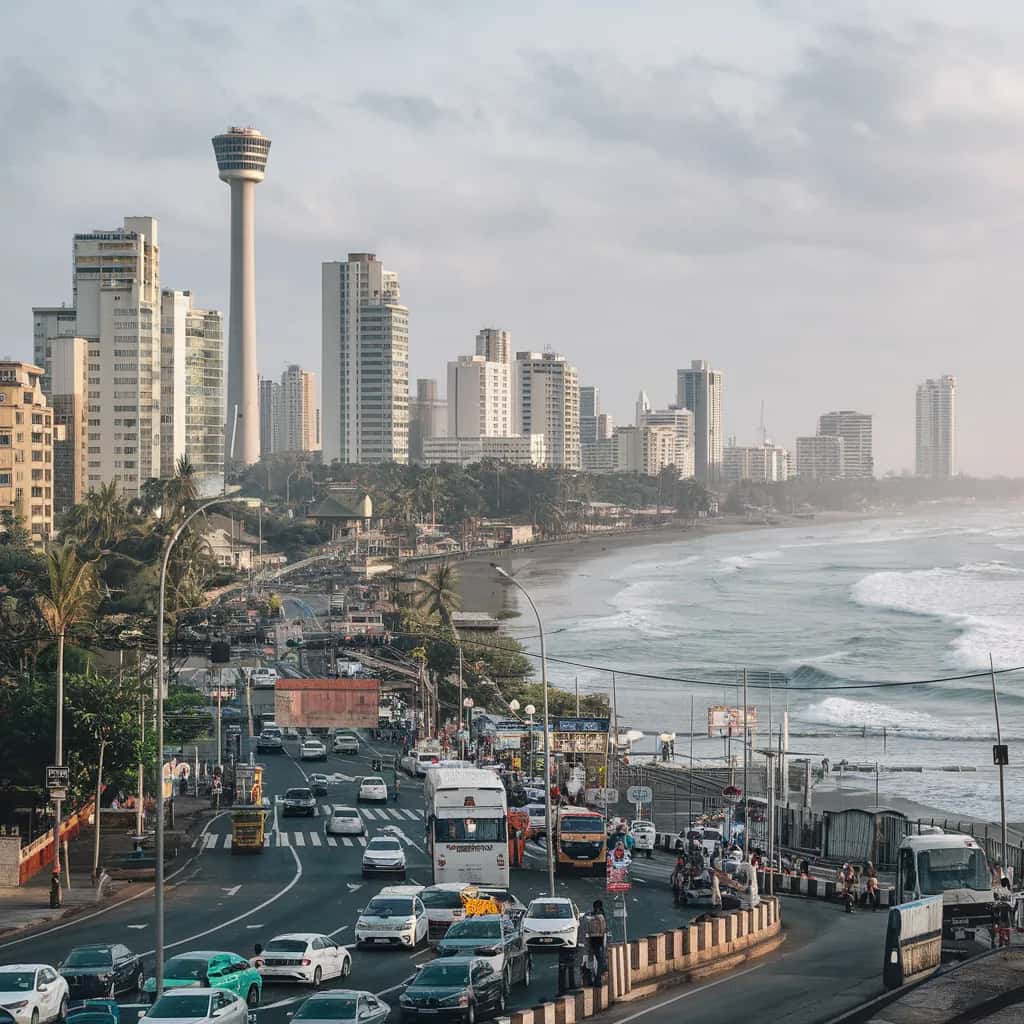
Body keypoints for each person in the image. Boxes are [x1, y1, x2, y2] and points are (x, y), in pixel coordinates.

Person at [584, 900, 608, 985]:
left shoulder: (589, 916)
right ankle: (597, 980)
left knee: (589, 962)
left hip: (589, 941)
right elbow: (604, 930)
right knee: (601, 961)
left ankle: (589, 980)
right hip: (598, 942)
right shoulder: (601, 917)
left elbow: (587, 929)